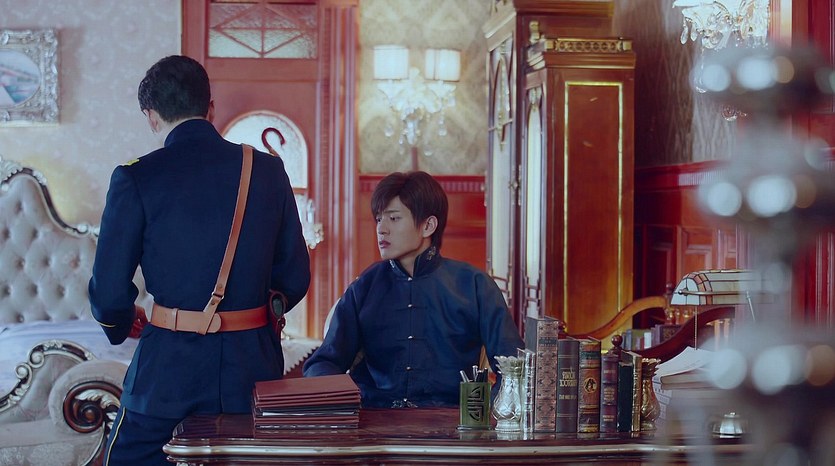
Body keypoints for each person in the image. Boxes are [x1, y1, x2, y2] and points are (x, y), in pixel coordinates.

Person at [88, 55, 310, 465]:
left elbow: (108, 294)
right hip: (251, 370)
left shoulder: (135, 177)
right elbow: (295, 276)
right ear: (211, 107)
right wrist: (257, 318)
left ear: (151, 117)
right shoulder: (267, 171)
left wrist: (123, 321)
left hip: (166, 373)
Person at [303, 171, 523, 408]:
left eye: (394, 218)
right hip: (374, 422)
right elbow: (324, 363)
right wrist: (342, 404)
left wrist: (490, 416)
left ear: (428, 225)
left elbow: (513, 368)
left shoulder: (474, 285)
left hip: (451, 424)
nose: (381, 229)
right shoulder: (364, 287)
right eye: (379, 219)